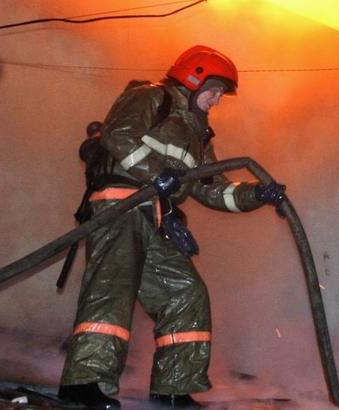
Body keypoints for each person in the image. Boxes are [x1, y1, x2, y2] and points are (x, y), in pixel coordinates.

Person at [57, 45, 286, 409]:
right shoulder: (149, 97)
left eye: (220, 95)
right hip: (121, 205)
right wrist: (156, 175)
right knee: (112, 288)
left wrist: (258, 193)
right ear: (194, 79)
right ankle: (83, 384)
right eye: (213, 91)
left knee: (185, 292)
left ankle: (173, 388)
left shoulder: (198, 136)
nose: (216, 100)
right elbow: (120, 134)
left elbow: (211, 190)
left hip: (156, 216)